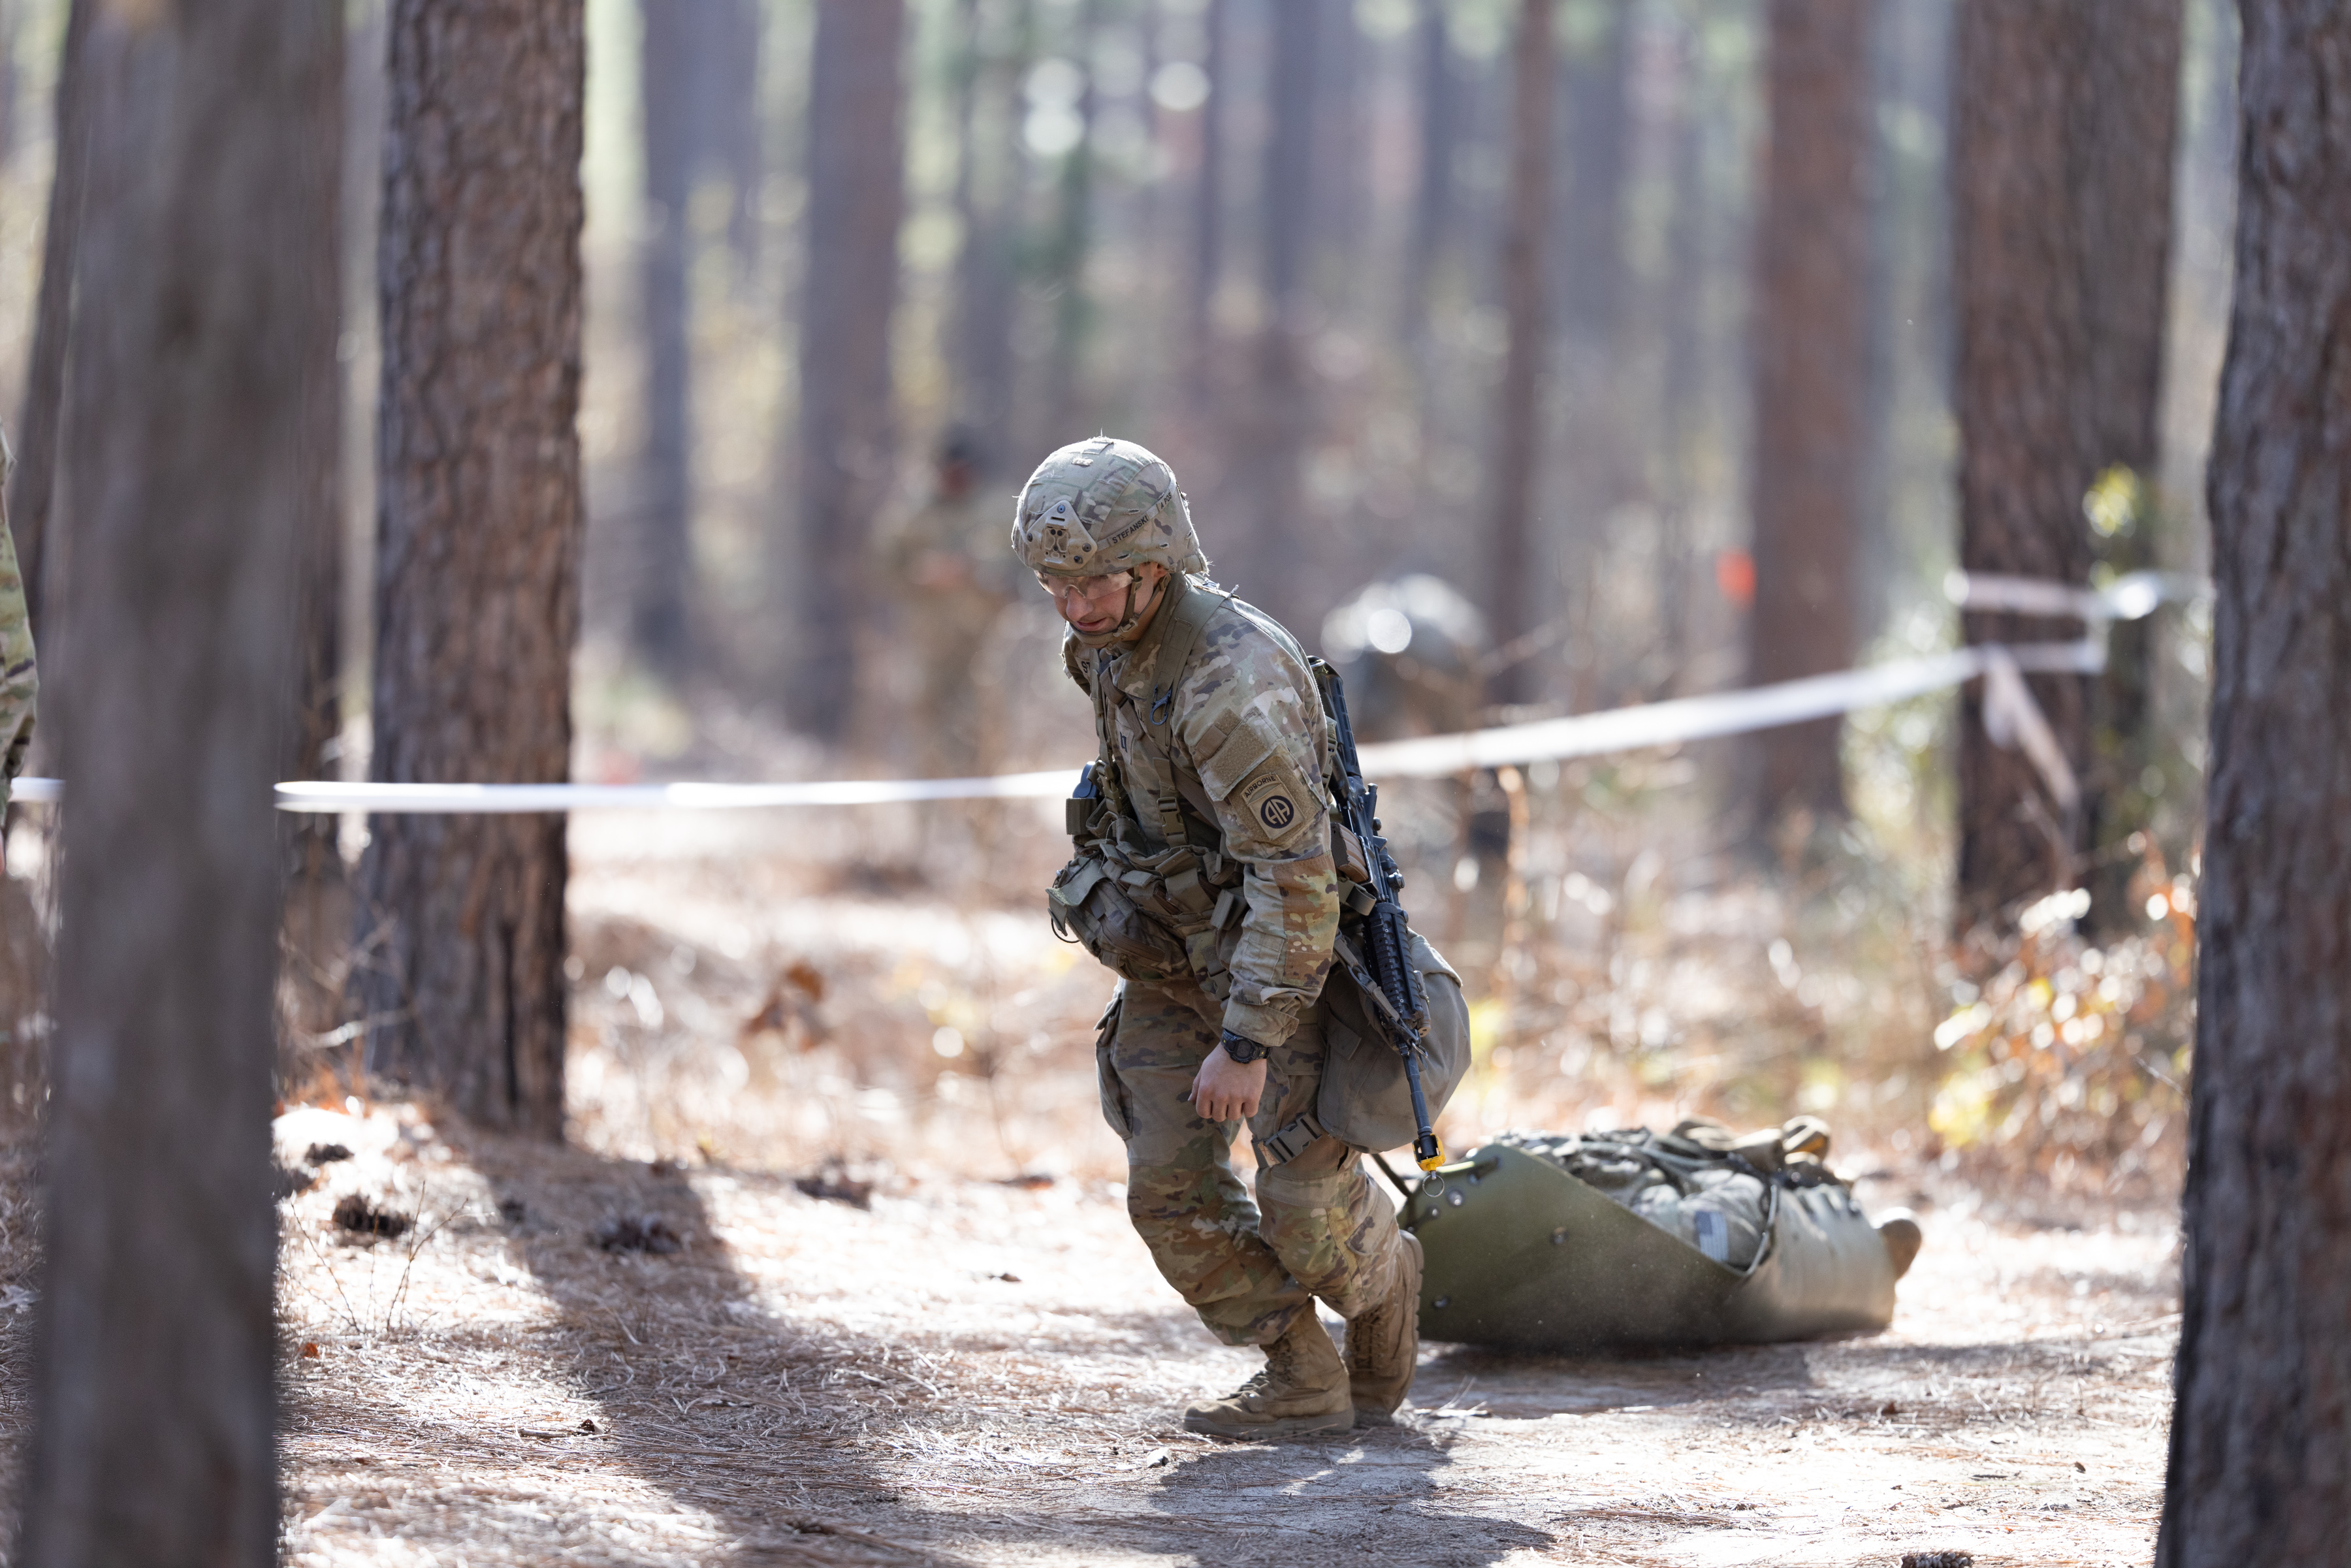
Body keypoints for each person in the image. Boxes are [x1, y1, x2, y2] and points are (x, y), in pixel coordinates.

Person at [1010, 436, 1420, 1438]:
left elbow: (1297, 881)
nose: (1072, 606)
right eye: (1055, 585)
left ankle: (1390, 1278)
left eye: (1091, 583)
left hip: (1285, 969)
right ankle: (1300, 1371)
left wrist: (1246, 1041)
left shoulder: (1229, 679)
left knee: (1303, 1212)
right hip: (1173, 956)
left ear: (1154, 566)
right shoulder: (1110, 642)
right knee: (1168, 1190)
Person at [880, 426, 1016, 780]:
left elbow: (1023, 573)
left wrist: (972, 570)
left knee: (980, 734)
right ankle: (927, 820)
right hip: (927, 647)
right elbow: (881, 567)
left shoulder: (1000, 514)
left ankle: (981, 819)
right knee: (924, 732)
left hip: (983, 648)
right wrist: (918, 574)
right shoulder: (911, 515)